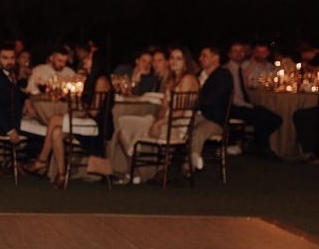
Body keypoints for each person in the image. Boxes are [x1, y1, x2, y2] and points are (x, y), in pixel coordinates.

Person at [24, 49, 114, 183]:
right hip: (88, 121)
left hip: (97, 125)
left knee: (54, 120)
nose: (85, 60)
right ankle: (61, 175)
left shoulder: (101, 80)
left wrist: (78, 106)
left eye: (89, 58)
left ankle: (41, 161)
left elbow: (94, 112)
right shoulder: (90, 78)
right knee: (56, 132)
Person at [113, 47, 200, 184]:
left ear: (185, 62)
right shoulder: (171, 81)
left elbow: (179, 113)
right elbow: (163, 107)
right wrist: (156, 121)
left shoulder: (188, 79)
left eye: (178, 58)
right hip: (165, 121)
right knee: (122, 121)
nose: (174, 62)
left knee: (141, 126)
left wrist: (158, 124)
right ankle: (134, 170)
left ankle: (137, 173)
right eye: (171, 58)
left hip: (177, 126)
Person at [225, 42, 282, 157]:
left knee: (275, 118)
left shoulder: (239, 68)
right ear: (229, 54)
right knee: (263, 117)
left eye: (241, 51)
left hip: (242, 104)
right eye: (235, 51)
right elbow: (234, 97)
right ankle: (263, 147)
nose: (239, 54)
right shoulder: (228, 70)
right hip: (232, 107)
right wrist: (248, 105)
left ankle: (255, 144)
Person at [190, 47, 234, 171]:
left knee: (198, 131)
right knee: (178, 124)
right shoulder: (198, 75)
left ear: (215, 58)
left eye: (204, 56)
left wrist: (191, 105)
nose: (200, 59)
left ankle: (189, 165)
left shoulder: (223, 76)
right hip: (195, 116)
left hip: (214, 119)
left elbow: (212, 99)